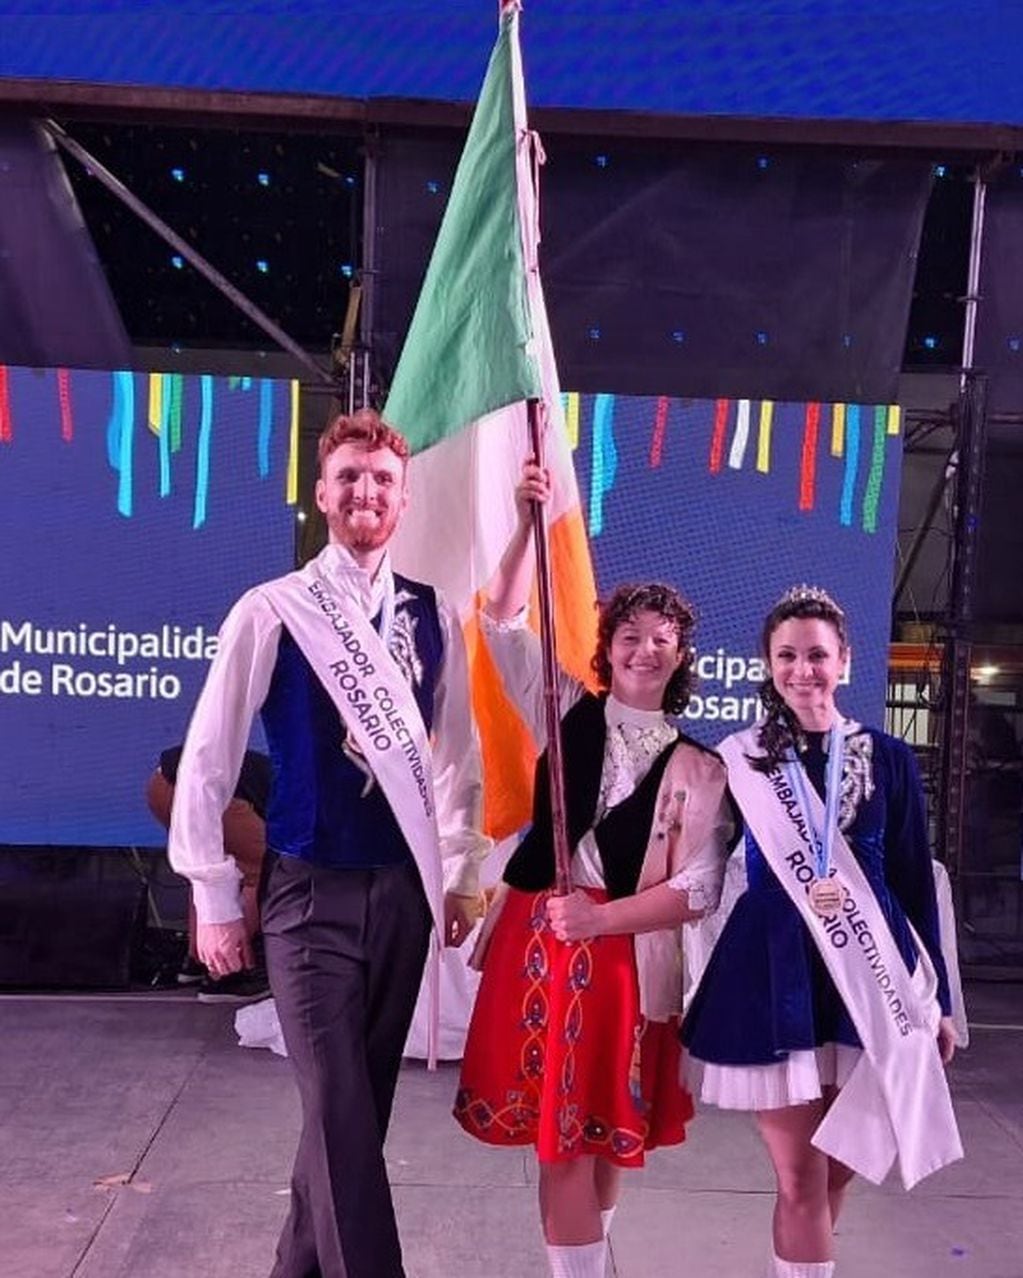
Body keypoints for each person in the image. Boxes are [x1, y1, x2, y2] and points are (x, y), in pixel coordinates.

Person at [169, 408, 489, 1278]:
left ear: (403, 499)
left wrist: (461, 874)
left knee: (354, 1116)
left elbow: (458, 759)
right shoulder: (273, 610)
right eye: (349, 476)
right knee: (339, 1106)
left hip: (401, 895)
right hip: (307, 893)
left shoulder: (434, 617)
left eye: (382, 480)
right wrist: (209, 893)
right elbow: (208, 757)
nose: (366, 492)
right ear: (321, 494)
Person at [454, 462, 734, 1278]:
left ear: (680, 654)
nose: (644, 649)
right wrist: (521, 525)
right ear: (605, 647)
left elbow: (698, 888)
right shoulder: (560, 703)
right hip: (540, 943)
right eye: (628, 635)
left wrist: (602, 920)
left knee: (614, 1129)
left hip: (627, 957)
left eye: (661, 638)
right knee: (562, 1132)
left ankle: (588, 1259)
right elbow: (500, 621)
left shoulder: (700, 766)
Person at [682, 585, 962, 1278]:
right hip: (775, 972)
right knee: (801, 1180)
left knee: (837, 1175)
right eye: (786, 656)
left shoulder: (889, 757)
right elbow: (696, 865)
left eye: (815, 655)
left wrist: (942, 1002)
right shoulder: (739, 759)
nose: (801, 669)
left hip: (871, 979)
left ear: (845, 662)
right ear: (767, 665)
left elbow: (911, 881)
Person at [146, 745, 270, 1001]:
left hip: (159, 785)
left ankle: (196, 961)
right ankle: (227, 974)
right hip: (196, 788)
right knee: (262, 872)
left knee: (205, 869)